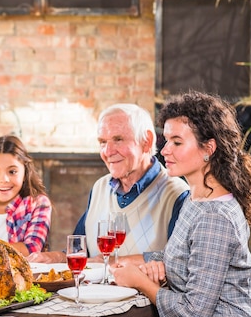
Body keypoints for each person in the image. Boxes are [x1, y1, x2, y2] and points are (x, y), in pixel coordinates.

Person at [112, 91, 251, 317]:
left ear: (208, 149)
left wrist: (139, 281)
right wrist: (158, 265)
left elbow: (192, 313)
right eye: (165, 140)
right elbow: (191, 259)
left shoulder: (215, 216)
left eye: (177, 142)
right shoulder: (196, 199)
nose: (165, 150)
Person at [27, 104, 189, 264]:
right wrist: (54, 258)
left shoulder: (177, 194)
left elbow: (178, 263)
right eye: (103, 142)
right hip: (93, 290)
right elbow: (82, 251)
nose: (108, 151)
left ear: (146, 141)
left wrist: (112, 262)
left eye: (118, 139)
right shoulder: (100, 187)